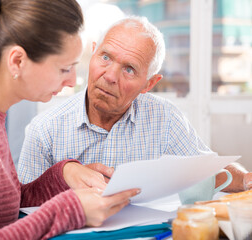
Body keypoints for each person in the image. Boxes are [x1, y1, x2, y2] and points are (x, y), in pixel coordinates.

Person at [0, 0, 140, 239]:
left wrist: (63, 176)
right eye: (65, 68)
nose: (73, 80)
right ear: (17, 61)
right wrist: (69, 210)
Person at [18, 16, 252, 192]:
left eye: (129, 69)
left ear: (149, 84)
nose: (110, 76)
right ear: (93, 52)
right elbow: (23, 205)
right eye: (105, 57)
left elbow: (209, 170)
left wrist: (246, 180)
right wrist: (64, 183)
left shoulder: (165, 118)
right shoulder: (44, 130)